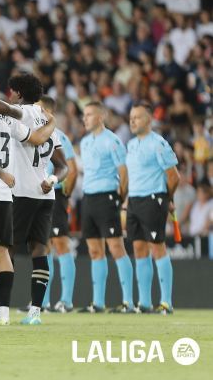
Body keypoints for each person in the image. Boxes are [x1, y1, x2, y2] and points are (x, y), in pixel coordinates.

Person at [0, 73, 67, 325]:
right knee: (39, 251)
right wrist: (52, 179)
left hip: (18, 191)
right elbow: (61, 164)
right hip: (46, 193)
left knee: (2, 250)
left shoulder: (17, 113)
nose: (7, 96)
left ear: (18, 94)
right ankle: (34, 312)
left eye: (11, 92)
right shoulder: (48, 122)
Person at [78, 102, 133, 313]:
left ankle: (128, 301)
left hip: (108, 197)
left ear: (101, 117)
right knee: (94, 251)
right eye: (84, 115)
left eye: (89, 114)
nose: (85, 118)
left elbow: (124, 172)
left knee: (116, 247)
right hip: (89, 198)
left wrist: (119, 197)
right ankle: (98, 303)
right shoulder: (84, 142)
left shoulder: (113, 141)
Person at [125, 104, 180, 314]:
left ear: (148, 120)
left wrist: (166, 197)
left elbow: (174, 176)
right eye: (131, 117)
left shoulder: (158, 143)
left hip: (153, 199)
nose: (132, 121)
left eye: (137, 117)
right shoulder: (130, 144)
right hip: (134, 201)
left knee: (157, 247)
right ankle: (145, 302)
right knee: (139, 249)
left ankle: (166, 301)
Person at [38, 95, 79, 313]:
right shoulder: (35, 134)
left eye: (37, 109)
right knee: (44, 247)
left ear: (47, 112)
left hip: (55, 195)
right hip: (39, 197)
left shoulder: (59, 135)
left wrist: (65, 195)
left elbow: (71, 168)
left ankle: (66, 300)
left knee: (61, 244)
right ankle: (42, 301)